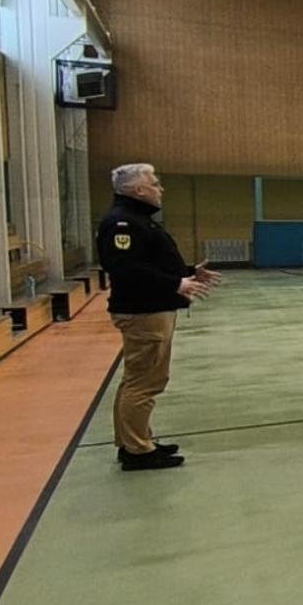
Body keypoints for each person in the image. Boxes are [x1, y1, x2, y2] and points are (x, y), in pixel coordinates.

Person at [98, 163, 221, 471]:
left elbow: (149, 262)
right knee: (144, 383)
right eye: (154, 183)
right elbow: (126, 268)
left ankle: (134, 440)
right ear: (138, 190)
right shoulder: (124, 223)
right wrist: (176, 283)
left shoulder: (137, 219)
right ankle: (137, 450)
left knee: (137, 380)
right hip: (144, 311)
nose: (160, 189)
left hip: (151, 308)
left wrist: (187, 272)